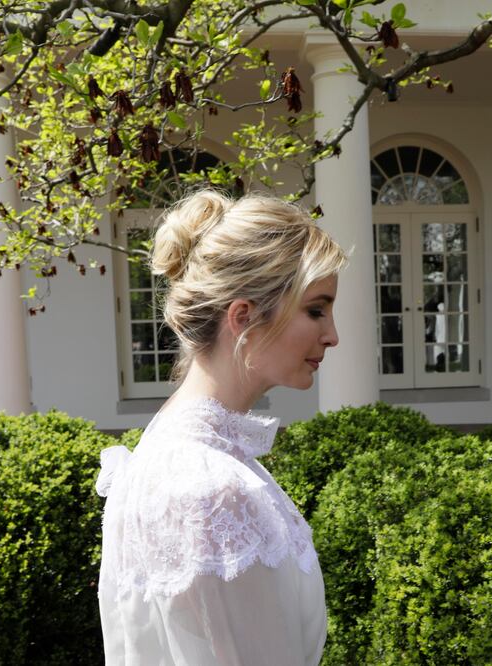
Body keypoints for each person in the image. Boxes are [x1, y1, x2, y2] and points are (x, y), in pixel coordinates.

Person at [95, 190, 346, 665]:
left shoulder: (174, 455)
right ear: (244, 317)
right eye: (316, 309)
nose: (332, 335)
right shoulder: (211, 487)